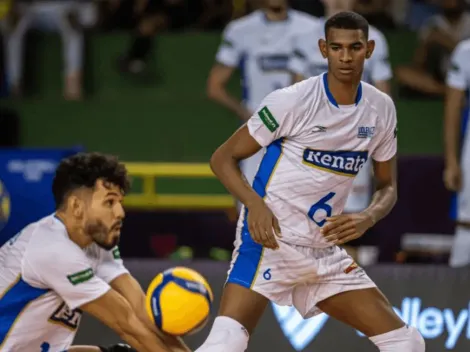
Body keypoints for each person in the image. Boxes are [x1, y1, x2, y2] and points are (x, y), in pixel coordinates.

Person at [197, 12, 425, 352]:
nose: (345, 57)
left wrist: (369, 216)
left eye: (355, 47)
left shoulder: (381, 109)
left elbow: (387, 187)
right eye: (336, 48)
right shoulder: (291, 100)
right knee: (226, 343)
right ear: (323, 49)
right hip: (270, 242)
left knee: (406, 342)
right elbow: (222, 158)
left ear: (369, 49)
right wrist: (255, 204)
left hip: (323, 249)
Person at [0, 152, 190, 352]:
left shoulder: (96, 243)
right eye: (109, 202)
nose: (120, 213)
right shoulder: (53, 250)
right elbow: (125, 323)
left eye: (120, 203)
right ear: (76, 206)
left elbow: (141, 310)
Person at [289, 0, 393, 258]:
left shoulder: (374, 38)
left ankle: (350, 283)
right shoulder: (303, 38)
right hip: (313, 144)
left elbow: (382, 98)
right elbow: (296, 96)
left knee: (347, 222)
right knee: (307, 225)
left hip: (355, 142)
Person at [207, 0, 320, 188]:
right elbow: (215, 86)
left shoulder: (313, 27)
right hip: (257, 138)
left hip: (303, 135)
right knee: (253, 208)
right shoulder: (240, 30)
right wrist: (249, 116)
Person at [443, 38, 470, 267]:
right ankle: (455, 295)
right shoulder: (465, 51)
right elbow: (452, 109)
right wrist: (452, 161)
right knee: (467, 222)